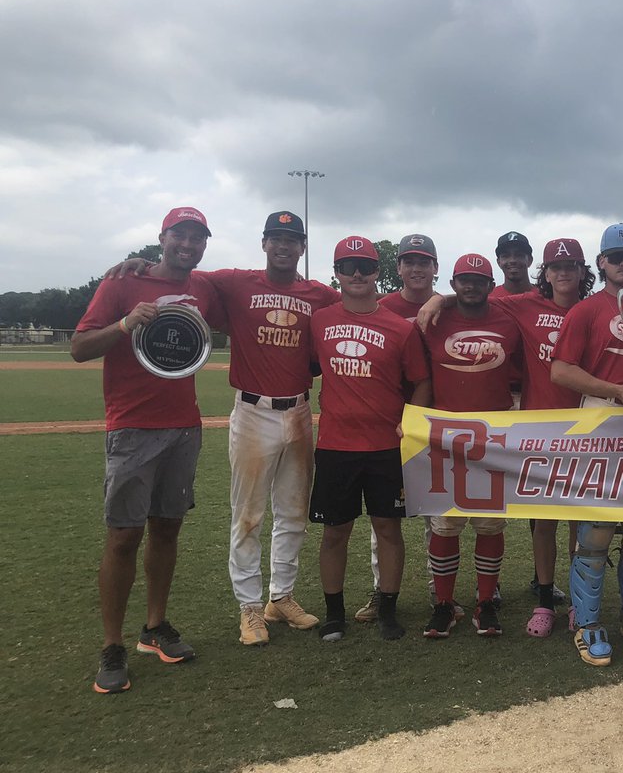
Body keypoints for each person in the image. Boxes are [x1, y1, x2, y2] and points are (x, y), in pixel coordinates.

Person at [73, 207, 226, 694]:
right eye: (180, 235)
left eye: (197, 238)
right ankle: (111, 645)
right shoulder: (122, 282)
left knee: (166, 529)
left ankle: (154, 627)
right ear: (162, 238)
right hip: (132, 427)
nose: (188, 244)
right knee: (123, 536)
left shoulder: (203, 287)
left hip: (184, 427)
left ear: (204, 245)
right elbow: (79, 347)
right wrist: (124, 324)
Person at [206, 212, 340, 646]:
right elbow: (186, 277)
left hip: (298, 410)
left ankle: (280, 597)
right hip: (253, 411)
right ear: (264, 243)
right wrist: (141, 267)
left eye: (292, 239)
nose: (284, 246)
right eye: (276, 238)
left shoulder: (319, 293)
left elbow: (360, 307)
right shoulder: (237, 281)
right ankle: (249, 606)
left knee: (294, 512)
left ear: (302, 247)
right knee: (248, 514)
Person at [550, 223, 623, 666]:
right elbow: (561, 370)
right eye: (615, 257)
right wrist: (615, 390)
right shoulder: (585, 311)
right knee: (596, 529)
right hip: (600, 418)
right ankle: (587, 622)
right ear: (601, 262)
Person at [308, 236, 431, 642]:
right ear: (337, 273)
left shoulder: (399, 328)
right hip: (335, 445)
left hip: (384, 447)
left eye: (365, 265)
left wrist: (411, 419)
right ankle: (334, 614)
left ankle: (388, 610)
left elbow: (421, 381)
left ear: (378, 271)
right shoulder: (319, 321)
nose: (357, 273)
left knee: (388, 528)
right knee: (334, 531)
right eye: (348, 266)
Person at [420, 254, 523, 638]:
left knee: (489, 524)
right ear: (453, 282)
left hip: (493, 434)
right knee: (445, 524)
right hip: (444, 434)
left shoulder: (508, 320)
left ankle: (485, 601)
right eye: (464, 279)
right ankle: (444, 604)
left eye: (479, 280)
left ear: (491, 285)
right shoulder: (434, 320)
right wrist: (439, 300)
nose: (471, 286)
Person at [360, 233, 440, 622]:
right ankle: (382, 591)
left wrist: (446, 298)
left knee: (436, 513)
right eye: (410, 261)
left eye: (424, 261)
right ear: (399, 267)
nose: (416, 268)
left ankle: (439, 590)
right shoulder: (383, 306)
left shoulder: (450, 306)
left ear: (435, 268)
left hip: (438, 419)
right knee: (384, 515)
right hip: (391, 422)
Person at [493, 231, 535, 298]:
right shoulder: (489, 299)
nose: (512, 260)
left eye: (519, 255)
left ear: (530, 260)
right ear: (499, 262)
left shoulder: (546, 296)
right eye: (506, 256)